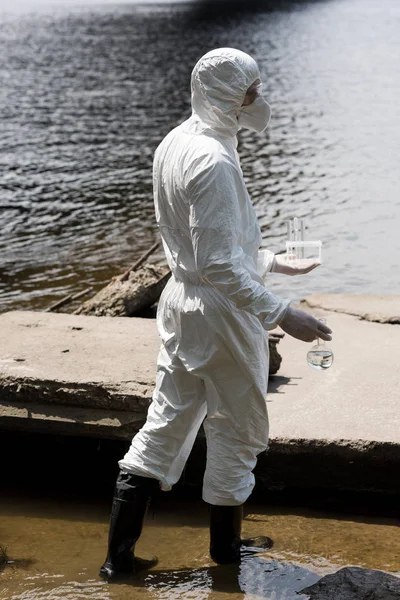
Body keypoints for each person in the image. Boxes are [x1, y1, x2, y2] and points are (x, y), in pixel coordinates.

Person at [100, 47, 332, 580]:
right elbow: (218, 265)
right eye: (250, 89)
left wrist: (271, 260)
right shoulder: (215, 160)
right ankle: (226, 555)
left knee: (167, 420)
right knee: (238, 428)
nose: (258, 97)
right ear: (228, 95)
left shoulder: (177, 143)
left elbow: (201, 252)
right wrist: (282, 313)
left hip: (182, 306)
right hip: (221, 315)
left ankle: (118, 561)